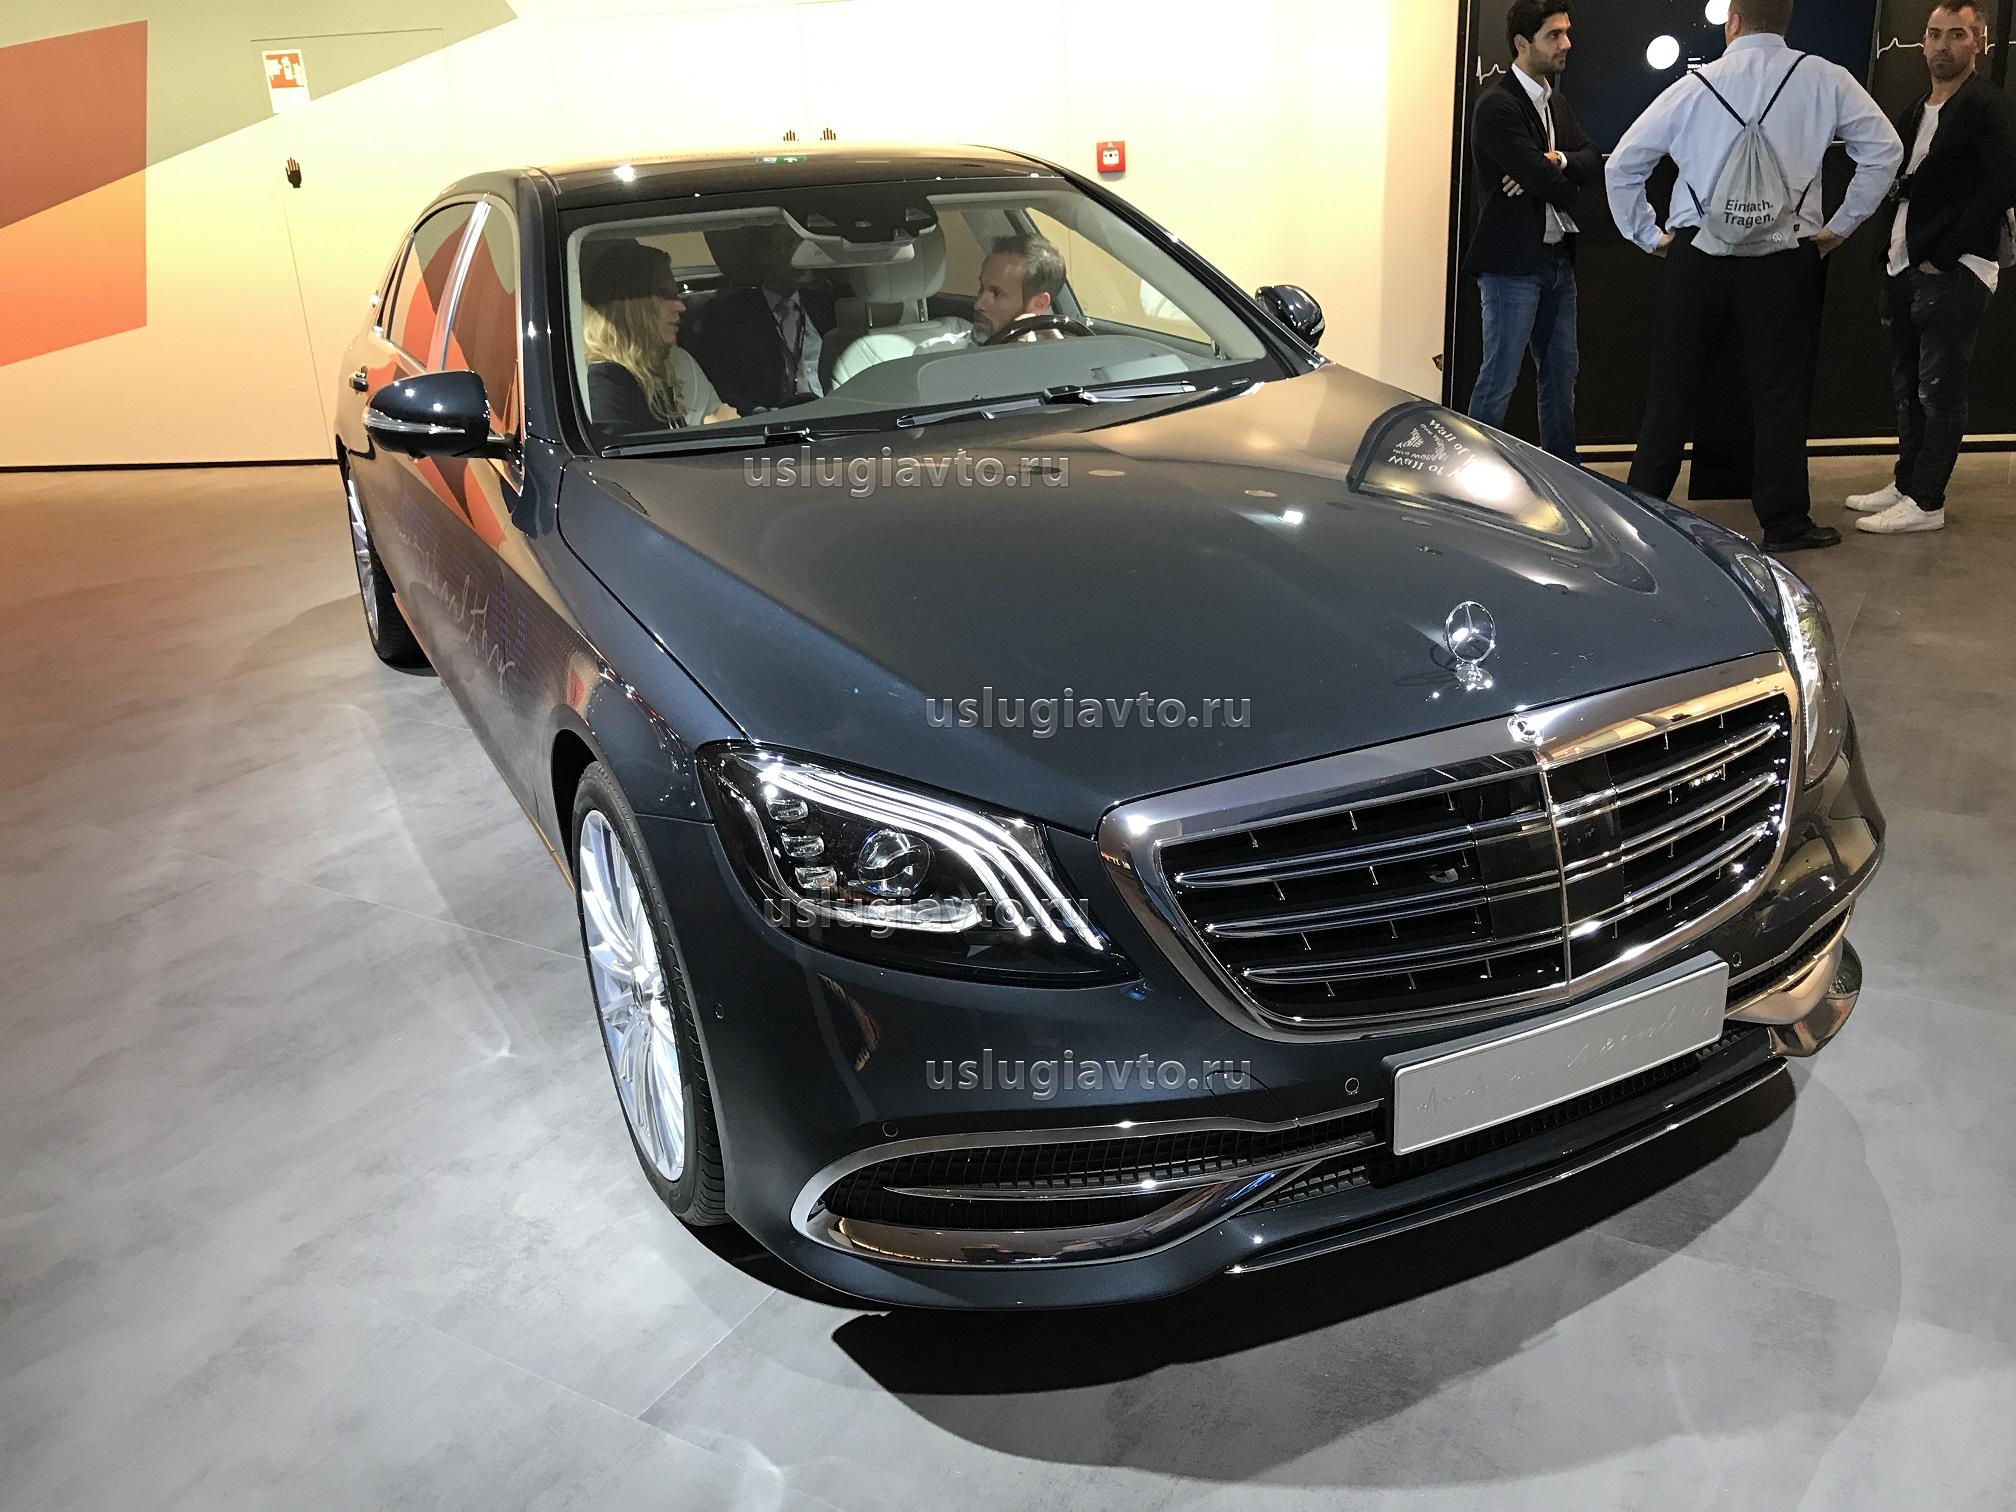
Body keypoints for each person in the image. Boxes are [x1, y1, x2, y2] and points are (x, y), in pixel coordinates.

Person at [1609, 0, 1902, 553]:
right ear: (1786, 21)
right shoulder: (1824, 78)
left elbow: (1622, 165)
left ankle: (1641, 515)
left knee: (1673, 389)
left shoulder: (1695, 85)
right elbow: (1885, 151)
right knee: (1778, 393)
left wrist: (1649, 235)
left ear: (1733, 22)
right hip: (1785, 257)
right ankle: (1785, 520)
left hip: (1698, 256)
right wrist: (1840, 227)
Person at [1849, 2, 2015, 536]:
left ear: (1979, 42)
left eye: (1957, 35)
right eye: (1935, 34)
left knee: (1939, 389)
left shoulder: (1988, 106)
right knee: (1908, 385)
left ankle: (1926, 500)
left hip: (1955, 268)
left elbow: (2002, 185)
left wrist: (1944, 255)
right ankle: (1908, 483)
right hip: (1902, 262)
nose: (1943, 45)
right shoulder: (1915, 109)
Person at [1462, 0, 1602, 462]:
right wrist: (1551, 174)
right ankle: (1470, 478)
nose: (1567, 43)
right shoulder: (1497, 105)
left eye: (1566, 32)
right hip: (1511, 266)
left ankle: (1563, 470)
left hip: (1558, 259)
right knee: (1500, 376)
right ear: (1522, 43)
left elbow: (1590, 160)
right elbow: (1555, 183)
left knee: (1562, 374)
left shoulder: (1555, 101)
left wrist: (1555, 160)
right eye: (1554, 35)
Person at [580, 242, 735, 439]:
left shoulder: (660, 368)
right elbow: (624, 457)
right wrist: (710, 434)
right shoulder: (604, 384)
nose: (680, 306)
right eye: (663, 293)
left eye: (675, 293)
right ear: (629, 305)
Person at [681, 222, 836, 412]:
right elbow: (719, 385)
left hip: (834, 412)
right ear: (763, 254)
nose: (801, 253)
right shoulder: (730, 316)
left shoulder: (829, 306)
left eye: (804, 244)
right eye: (789, 244)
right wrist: (757, 412)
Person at [971, 233, 1069, 343]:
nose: (978, 304)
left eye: (996, 293)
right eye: (981, 287)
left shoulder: (1056, 352)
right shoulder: (955, 340)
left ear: (1038, 304)